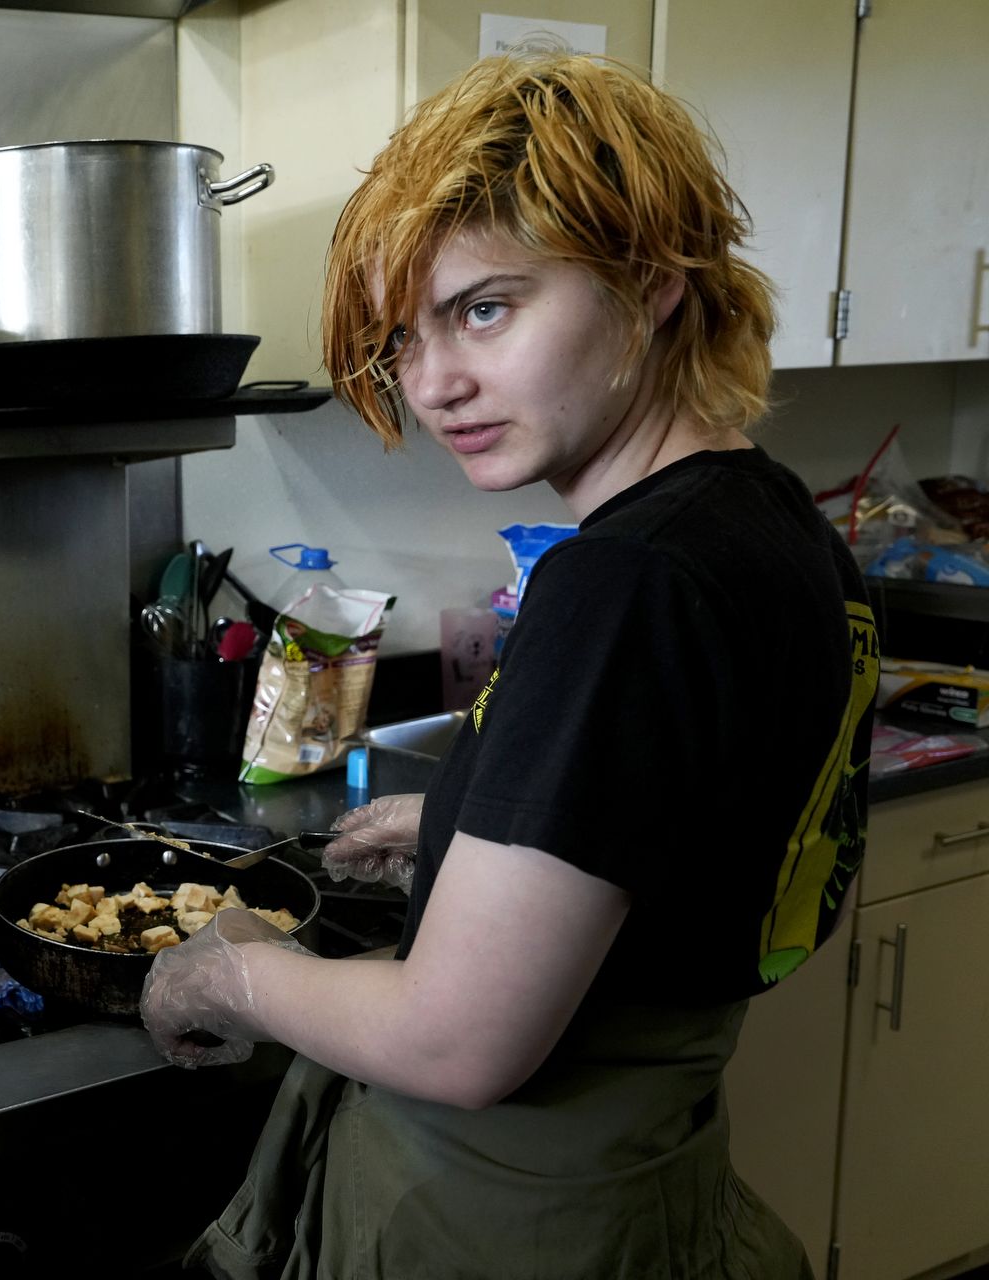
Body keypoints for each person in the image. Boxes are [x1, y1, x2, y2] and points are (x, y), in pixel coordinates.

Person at [141, 52, 876, 1279]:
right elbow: (707, 837)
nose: (433, 383)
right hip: (656, 1192)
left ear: (651, 286)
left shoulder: (623, 576)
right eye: (403, 336)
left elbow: (456, 1042)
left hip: (504, 1224)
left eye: (485, 307)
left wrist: (233, 975)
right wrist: (473, 818)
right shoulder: (778, 529)